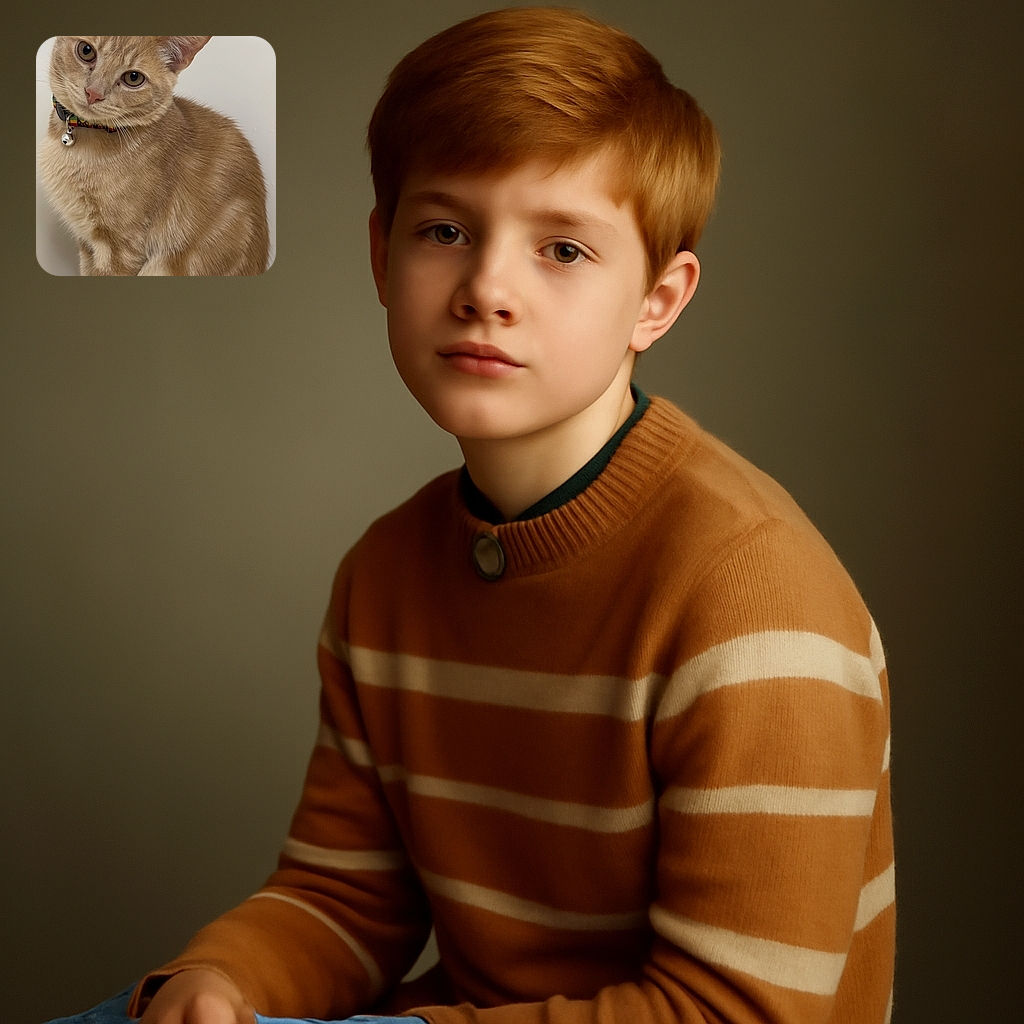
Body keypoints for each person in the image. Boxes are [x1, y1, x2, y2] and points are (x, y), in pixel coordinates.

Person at [48, 8, 895, 1024]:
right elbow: (344, 895)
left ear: (655, 303)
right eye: (445, 231)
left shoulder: (755, 597)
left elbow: (738, 1013)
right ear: (381, 256)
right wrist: (221, 982)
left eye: (564, 250)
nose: (486, 288)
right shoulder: (389, 574)